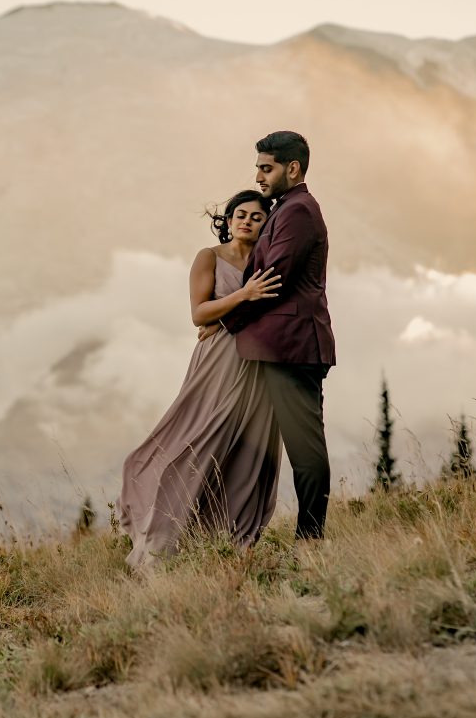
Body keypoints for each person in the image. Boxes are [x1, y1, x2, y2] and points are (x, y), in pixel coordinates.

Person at [117, 190, 284, 569]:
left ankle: (224, 546)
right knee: (198, 439)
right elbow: (199, 313)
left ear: (266, 225)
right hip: (218, 364)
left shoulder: (266, 260)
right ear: (227, 220)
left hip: (259, 368)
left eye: (256, 217)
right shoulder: (209, 256)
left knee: (246, 454)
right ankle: (160, 541)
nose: (246, 221)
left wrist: (227, 315)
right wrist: (243, 296)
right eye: (239, 214)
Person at [222, 131, 335, 541]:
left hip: (294, 347)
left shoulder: (299, 211)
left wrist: (223, 323)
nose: (258, 176)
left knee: (304, 448)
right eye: (257, 168)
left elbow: (273, 280)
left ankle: (310, 541)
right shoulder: (287, 208)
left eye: (266, 168)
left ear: (293, 168)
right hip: (277, 348)